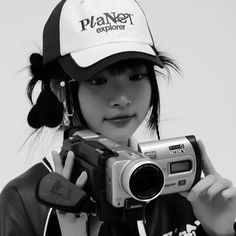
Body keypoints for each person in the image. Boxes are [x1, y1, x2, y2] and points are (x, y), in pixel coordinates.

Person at [0, 0, 236, 235]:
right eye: (97, 80)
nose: (122, 98)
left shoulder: (183, 189)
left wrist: (220, 231)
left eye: (136, 76)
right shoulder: (24, 200)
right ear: (60, 89)